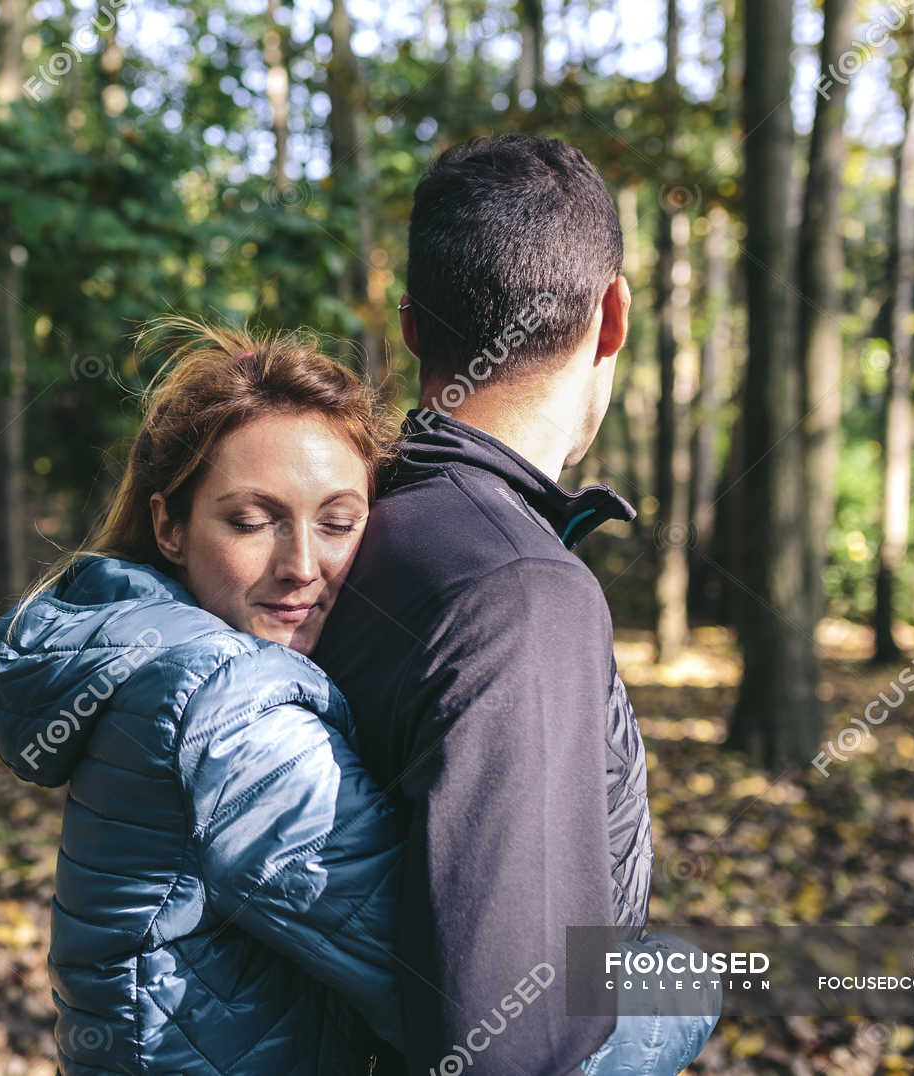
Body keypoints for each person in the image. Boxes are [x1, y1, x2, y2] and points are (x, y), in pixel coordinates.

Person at [312, 134, 721, 1074]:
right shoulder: (520, 593)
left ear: (412, 327)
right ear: (612, 314)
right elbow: (509, 1047)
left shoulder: (343, 527)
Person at [0, 319, 406, 1074]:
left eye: (338, 521)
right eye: (251, 520)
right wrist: (678, 978)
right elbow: (469, 984)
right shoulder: (230, 708)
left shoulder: (156, 655)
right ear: (168, 526)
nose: (303, 564)